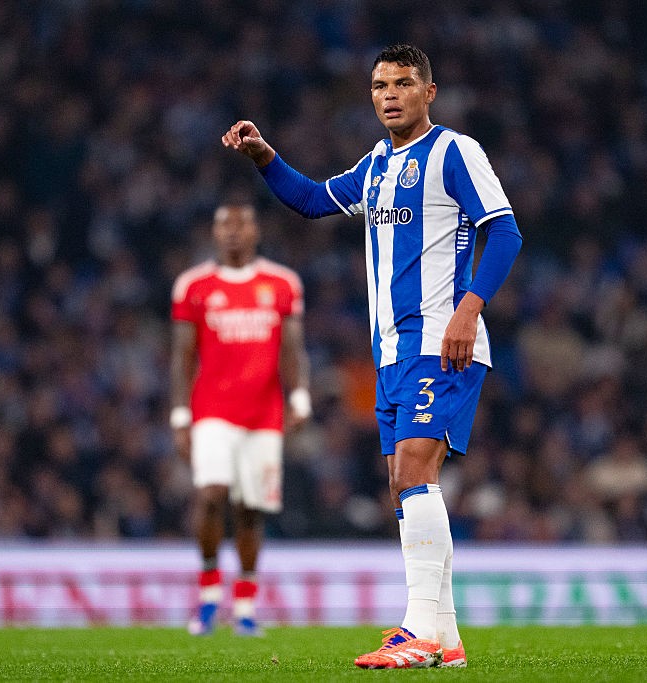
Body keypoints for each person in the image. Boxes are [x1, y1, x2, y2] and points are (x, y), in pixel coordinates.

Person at [222, 44, 522, 667]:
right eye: (380, 84)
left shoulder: (453, 152)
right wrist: (263, 156)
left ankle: (416, 631)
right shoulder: (378, 165)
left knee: (414, 471)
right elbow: (310, 201)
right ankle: (446, 636)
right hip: (391, 351)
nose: (389, 94)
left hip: (444, 339)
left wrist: (469, 309)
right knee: (402, 483)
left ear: (429, 92)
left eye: (404, 83)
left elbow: (504, 230)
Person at [170, 202, 311, 637]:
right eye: (224, 225)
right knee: (212, 495)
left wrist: (300, 395)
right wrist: (180, 414)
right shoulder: (193, 285)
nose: (233, 232)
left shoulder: (282, 283)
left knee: (251, 508)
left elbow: (292, 347)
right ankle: (210, 594)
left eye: (242, 224)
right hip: (211, 410)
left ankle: (245, 604)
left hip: (264, 413)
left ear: (256, 231)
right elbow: (182, 355)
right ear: (214, 233)